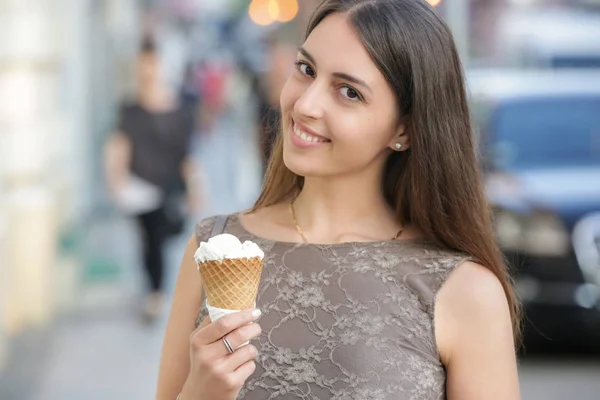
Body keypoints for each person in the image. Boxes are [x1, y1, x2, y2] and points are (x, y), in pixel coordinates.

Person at [156, 0, 521, 399]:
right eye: (306, 70)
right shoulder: (214, 250)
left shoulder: (465, 291)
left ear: (405, 129)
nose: (306, 104)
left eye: (348, 92)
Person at [104, 38, 201, 323]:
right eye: (141, 67)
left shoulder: (180, 111)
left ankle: (155, 291)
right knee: (149, 240)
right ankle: (155, 295)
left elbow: (186, 154)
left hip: (169, 186)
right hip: (139, 187)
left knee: (162, 235)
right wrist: (115, 177)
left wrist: (195, 186)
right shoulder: (129, 109)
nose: (146, 72)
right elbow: (120, 143)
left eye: (151, 66)